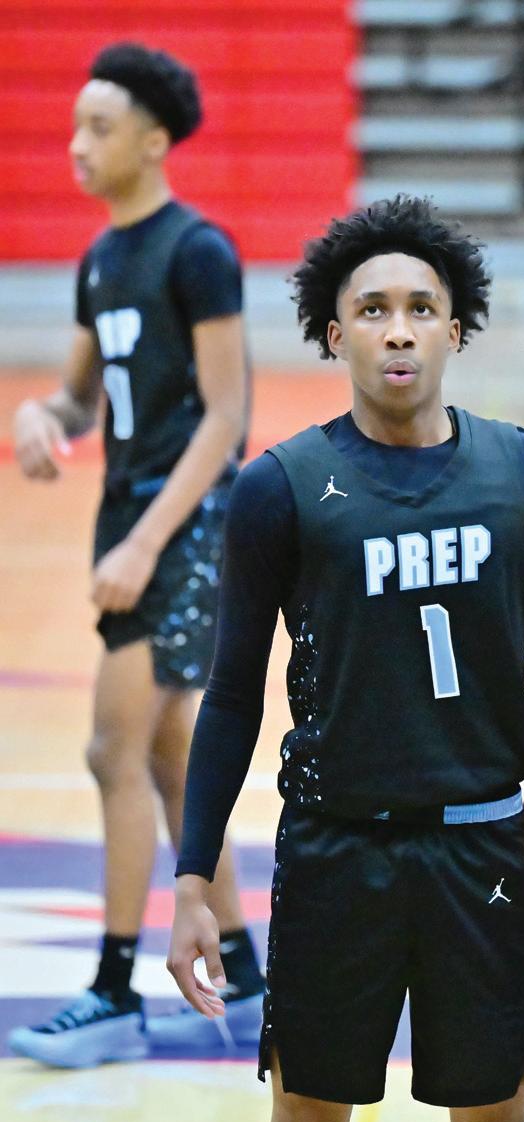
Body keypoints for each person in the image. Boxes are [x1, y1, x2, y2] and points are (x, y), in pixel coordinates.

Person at [167, 195, 524, 1122]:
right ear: (334, 335)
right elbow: (232, 694)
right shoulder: (279, 489)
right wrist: (193, 880)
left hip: (484, 847)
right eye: (372, 310)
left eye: (422, 308)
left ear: (456, 329)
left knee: (493, 1119)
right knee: (308, 1116)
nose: (399, 330)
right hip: (336, 848)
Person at [9, 42, 264, 1069]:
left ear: (154, 141)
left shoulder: (196, 250)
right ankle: (247, 976)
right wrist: (42, 415)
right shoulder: (101, 258)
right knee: (167, 759)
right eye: (75, 125)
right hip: (131, 523)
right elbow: (83, 396)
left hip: (185, 528)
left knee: (110, 752)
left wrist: (149, 541)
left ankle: (113, 992)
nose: (77, 144)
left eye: (99, 127)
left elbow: (227, 415)